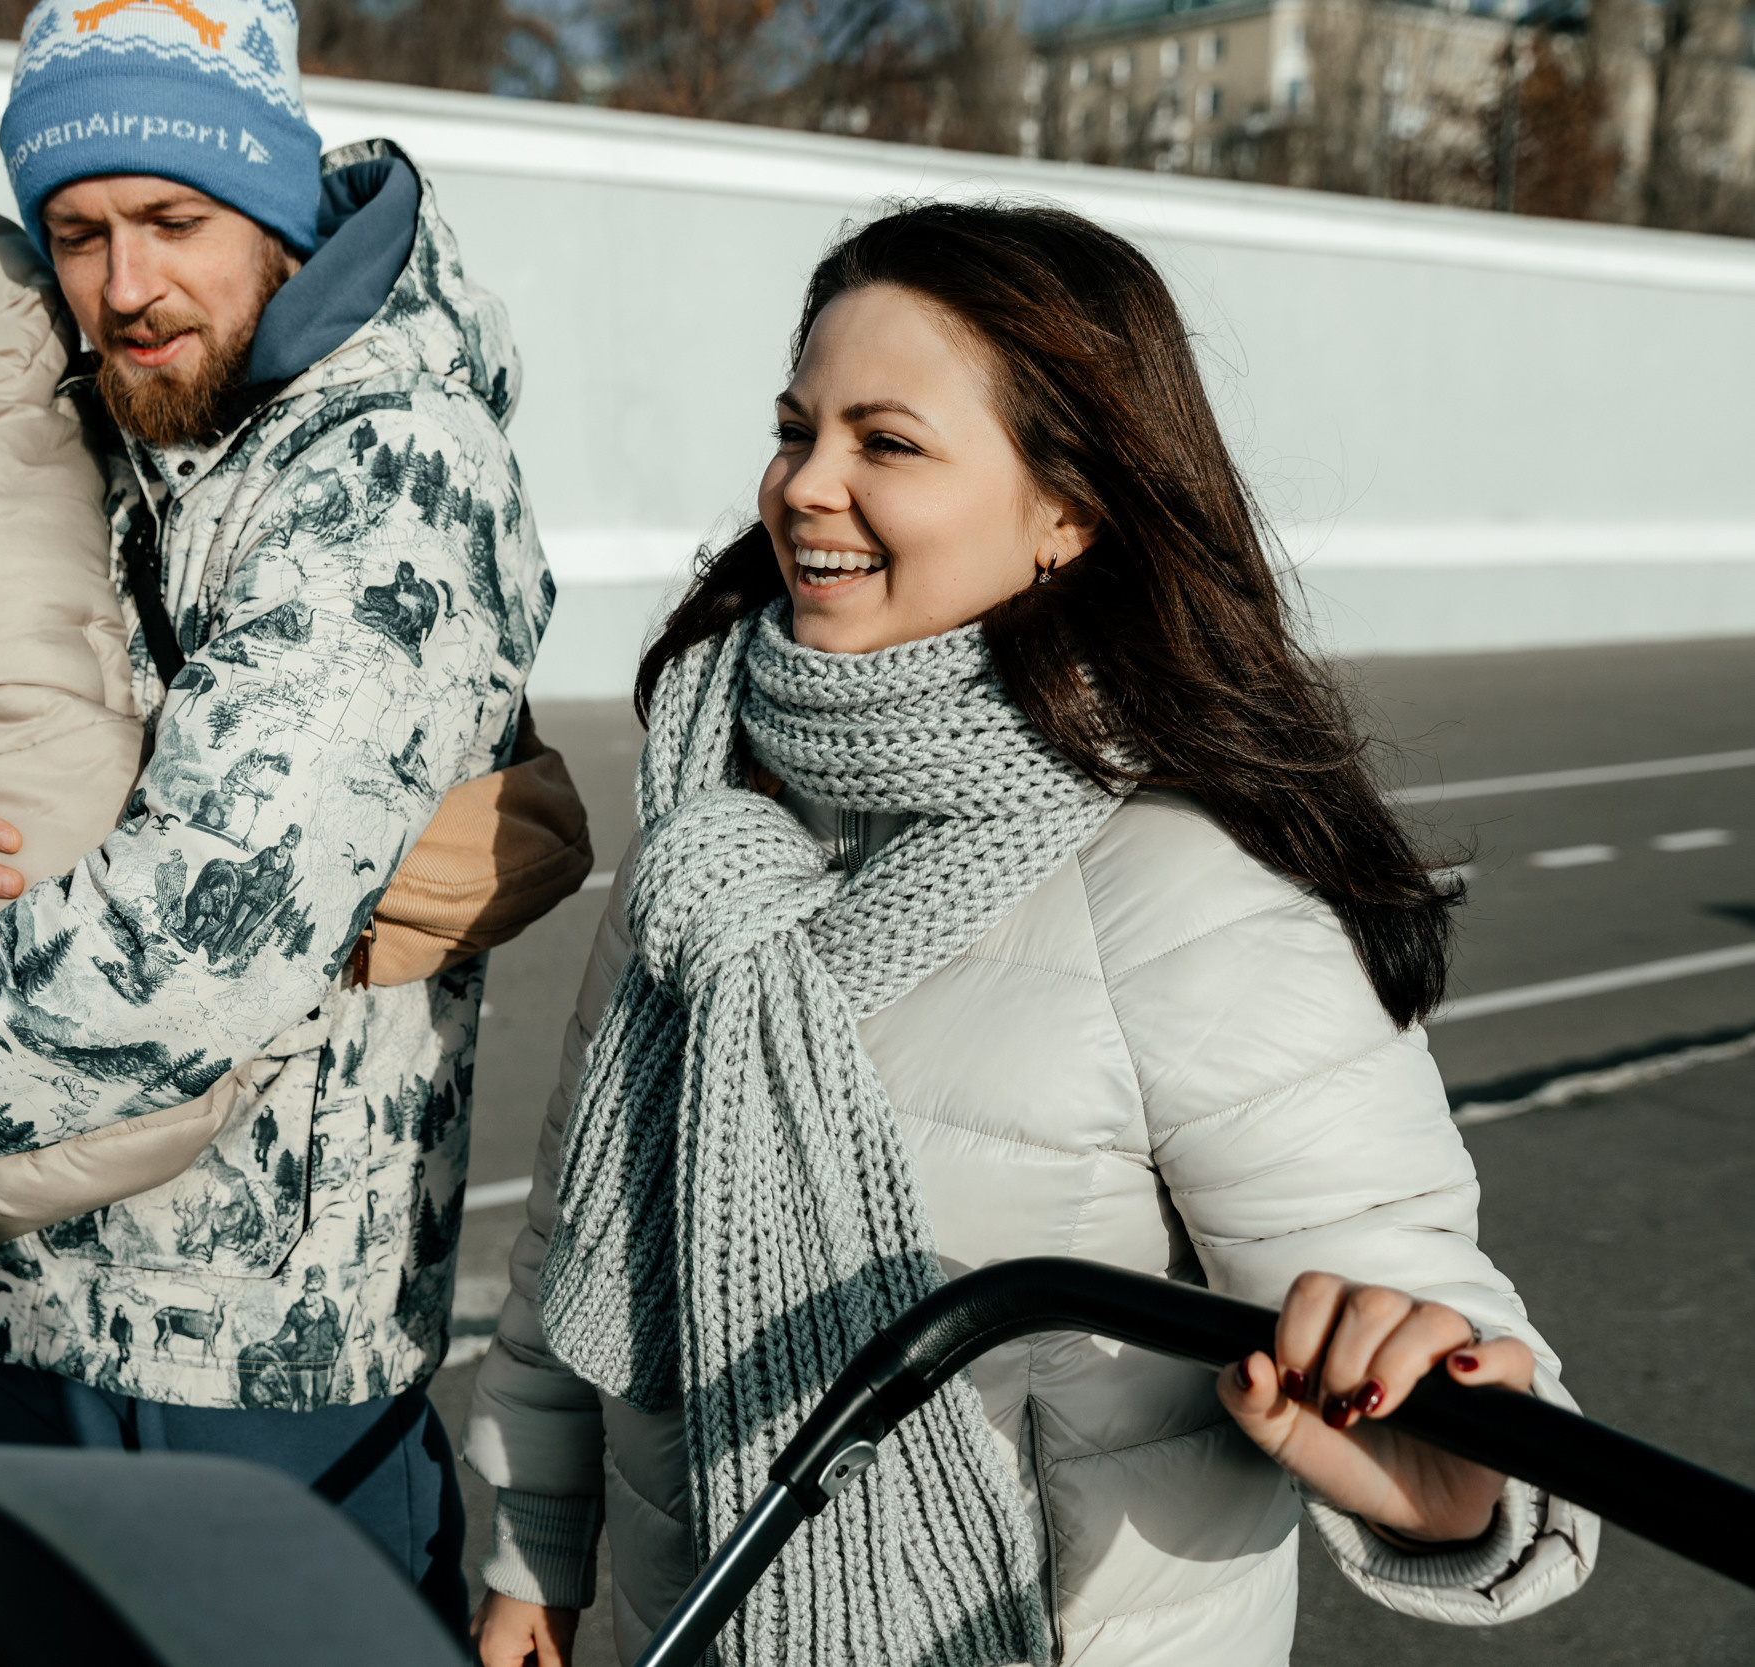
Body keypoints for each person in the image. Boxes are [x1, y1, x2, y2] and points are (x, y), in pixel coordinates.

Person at [463, 202, 1597, 1667]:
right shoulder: (716, 825)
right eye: (797, 429)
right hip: (686, 1624)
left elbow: (1417, 1291)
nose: (806, 486)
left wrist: (1459, 1483)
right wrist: (536, 1546)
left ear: (1068, 512)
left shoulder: (1192, 885)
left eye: (887, 443)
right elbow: (583, 1230)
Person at [0, 0, 552, 1627]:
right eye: (79, 232)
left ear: (275, 206)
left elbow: (196, 947)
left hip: (253, 1373)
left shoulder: (386, 470)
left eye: (174, 221)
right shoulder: (100, 410)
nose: (125, 285)